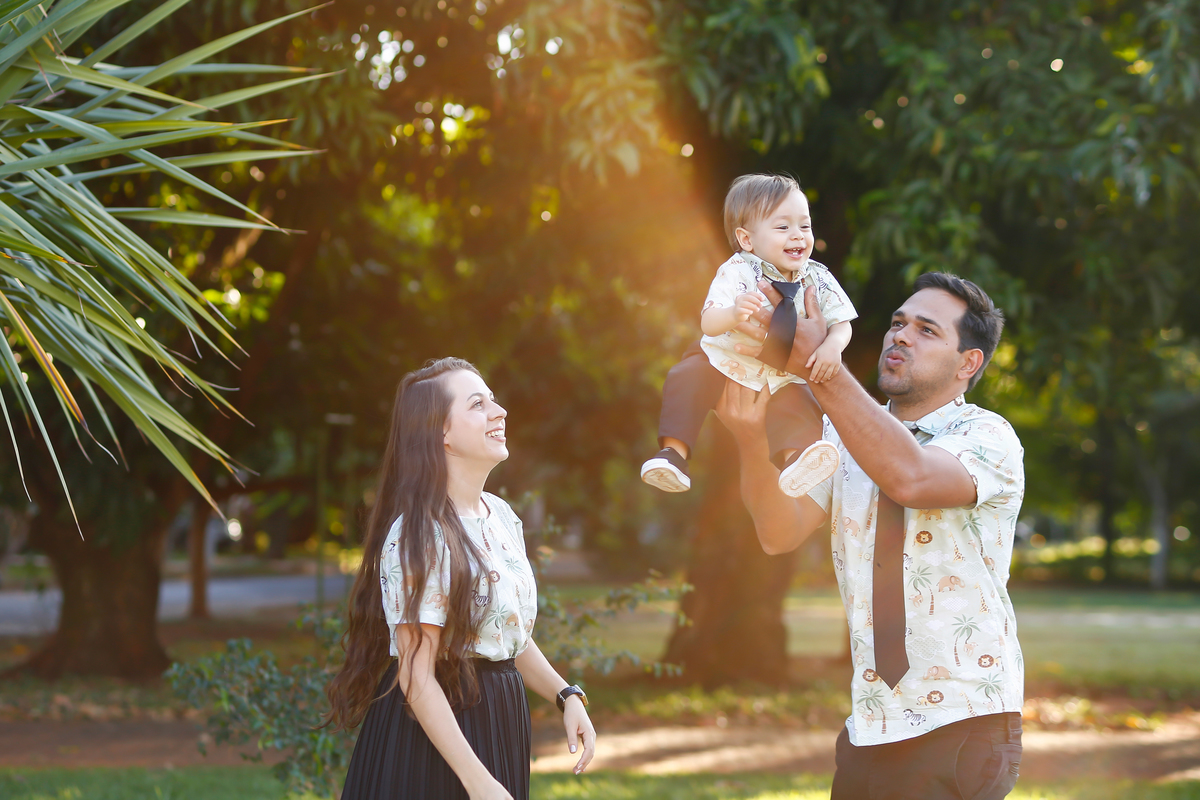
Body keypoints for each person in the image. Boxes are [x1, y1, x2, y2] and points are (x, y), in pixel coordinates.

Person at [717, 273, 1025, 800]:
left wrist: (820, 369)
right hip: (871, 722)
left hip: (963, 718)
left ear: (968, 363)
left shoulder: (987, 436)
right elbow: (778, 532)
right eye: (897, 323)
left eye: (927, 330)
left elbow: (911, 478)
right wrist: (748, 440)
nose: (900, 336)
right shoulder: (843, 435)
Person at [327, 357, 596, 800]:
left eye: (492, 399)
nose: (499, 411)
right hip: (437, 735)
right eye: (477, 404)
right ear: (442, 436)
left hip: (501, 718)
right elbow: (416, 677)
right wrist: (478, 783)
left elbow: (506, 632)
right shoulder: (419, 533)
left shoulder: (502, 517)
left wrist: (565, 694)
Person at [640, 173, 858, 498]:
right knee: (686, 377)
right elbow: (709, 322)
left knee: (799, 402)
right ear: (746, 239)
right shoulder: (736, 271)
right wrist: (733, 312)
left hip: (781, 373)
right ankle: (674, 454)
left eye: (805, 226)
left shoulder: (817, 276)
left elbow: (842, 321)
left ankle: (796, 461)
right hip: (726, 361)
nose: (798, 236)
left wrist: (833, 347)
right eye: (783, 227)